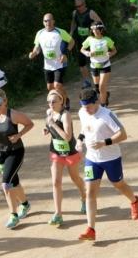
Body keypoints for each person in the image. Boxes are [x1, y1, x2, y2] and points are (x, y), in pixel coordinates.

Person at [76, 88, 138, 241]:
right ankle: (90, 229)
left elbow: (122, 134)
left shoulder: (107, 115)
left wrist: (104, 143)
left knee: (118, 184)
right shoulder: (82, 112)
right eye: (84, 107)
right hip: (92, 159)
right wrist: (79, 141)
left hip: (111, 158)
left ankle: (134, 200)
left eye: (89, 106)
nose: (87, 110)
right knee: (90, 191)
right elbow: (84, 129)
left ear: (96, 101)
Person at [0, 89, 34, 228]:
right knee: (13, 181)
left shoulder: (13, 115)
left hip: (15, 152)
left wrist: (18, 135)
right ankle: (26, 205)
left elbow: (29, 123)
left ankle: (13, 215)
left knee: (6, 183)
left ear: (5, 101)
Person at [42, 89, 86, 227]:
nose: (51, 104)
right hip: (55, 152)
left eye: (54, 101)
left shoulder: (65, 115)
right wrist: (48, 129)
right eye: (49, 102)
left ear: (61, 101)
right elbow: (50, 127)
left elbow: (67, 137)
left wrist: (53, 124)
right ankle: (58, 213)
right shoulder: (49, 113)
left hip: (70, 152)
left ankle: (84, 197)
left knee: (75, 178)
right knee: (56, 182)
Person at [28, 13, 74, 92]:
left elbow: (72, 42)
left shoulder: (60, 32)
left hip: (59, 64)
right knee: (50, 88)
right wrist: (33, 53)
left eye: (49, 20)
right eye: (45, 21)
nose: (47, 23)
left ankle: (64, 103)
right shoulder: (39, 33)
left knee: (57, 86)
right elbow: (37, 48)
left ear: (53, 21)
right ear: (43, 22)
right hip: (48, 65)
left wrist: (65, 54)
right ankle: (64, 100)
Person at [80, 22, 116, 106]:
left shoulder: (107, 39)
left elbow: (114, 50)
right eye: (93, 29)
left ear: (101, 29)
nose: (95, 31)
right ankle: (105, 95)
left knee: (101, 86)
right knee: (97, 89)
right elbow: (82, 49)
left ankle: (103, 106)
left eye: (96, 29)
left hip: (105, 65)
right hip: (94, 66)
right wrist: (87, 53)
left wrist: (110, 53)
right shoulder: (89, 39)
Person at [70, 0, 102, 88]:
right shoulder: (75, 13)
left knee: (94, 61)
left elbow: (100, 23)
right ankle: (87, 81)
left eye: (79, 6)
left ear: (84, 4)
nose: (78, 8)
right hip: (80, 41)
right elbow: (73, 23)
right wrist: (71, 33)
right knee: (81, 62)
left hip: (92, 41)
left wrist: (94, 28)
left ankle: (98, 79)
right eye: (76, 6)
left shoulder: (91, 13)